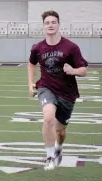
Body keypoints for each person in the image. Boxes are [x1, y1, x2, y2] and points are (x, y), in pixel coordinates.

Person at [27, 10, 88, 170]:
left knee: (60, 131)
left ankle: (58, 148)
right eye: (47, 23)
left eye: (53, 22)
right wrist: (30, 83)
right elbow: (31, 63)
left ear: (58, 24)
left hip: (67, 93)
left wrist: (73, 71)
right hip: (46, 87)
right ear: (43, 26)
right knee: (48, 118)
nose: (50, 25)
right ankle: (49, 156)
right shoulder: (38, 48)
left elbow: (84, 70)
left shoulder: (71, 47)